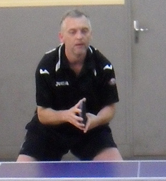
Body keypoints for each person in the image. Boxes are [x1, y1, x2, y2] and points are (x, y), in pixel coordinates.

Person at [17, 10, 123, 162]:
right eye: (72, 32)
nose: (79, 36)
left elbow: (110, 107)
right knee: (22, 173)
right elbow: (43, 114)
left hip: (89, 127)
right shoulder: (47, 66)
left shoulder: (103, 66)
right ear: (61, 37)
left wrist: (96, 120)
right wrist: (66, 115)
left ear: (91, 35)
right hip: (50, 129)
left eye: (84, 31)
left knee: (115, 168)